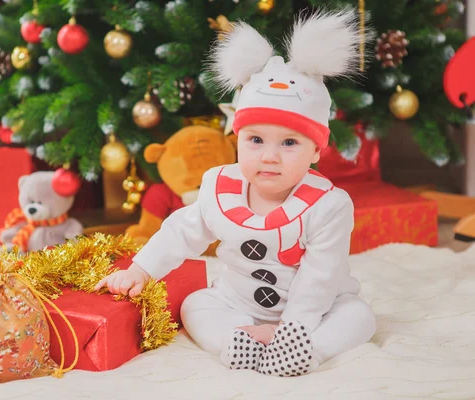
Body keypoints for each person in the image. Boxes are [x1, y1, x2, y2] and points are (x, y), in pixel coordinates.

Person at [95, 8, 376, 377]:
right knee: (195, 305)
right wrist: (141, 269)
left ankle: (303, 351)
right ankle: (237, 341)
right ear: (237, 139)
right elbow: (182, 231)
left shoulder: (329, 206)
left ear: (316, 151)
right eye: (255, 140)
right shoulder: (218, 186)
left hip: (317, 308)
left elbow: (319, 278)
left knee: (360, 318)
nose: (269, 157)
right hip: (238, 300)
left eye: (289, 142)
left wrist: (293, 328)